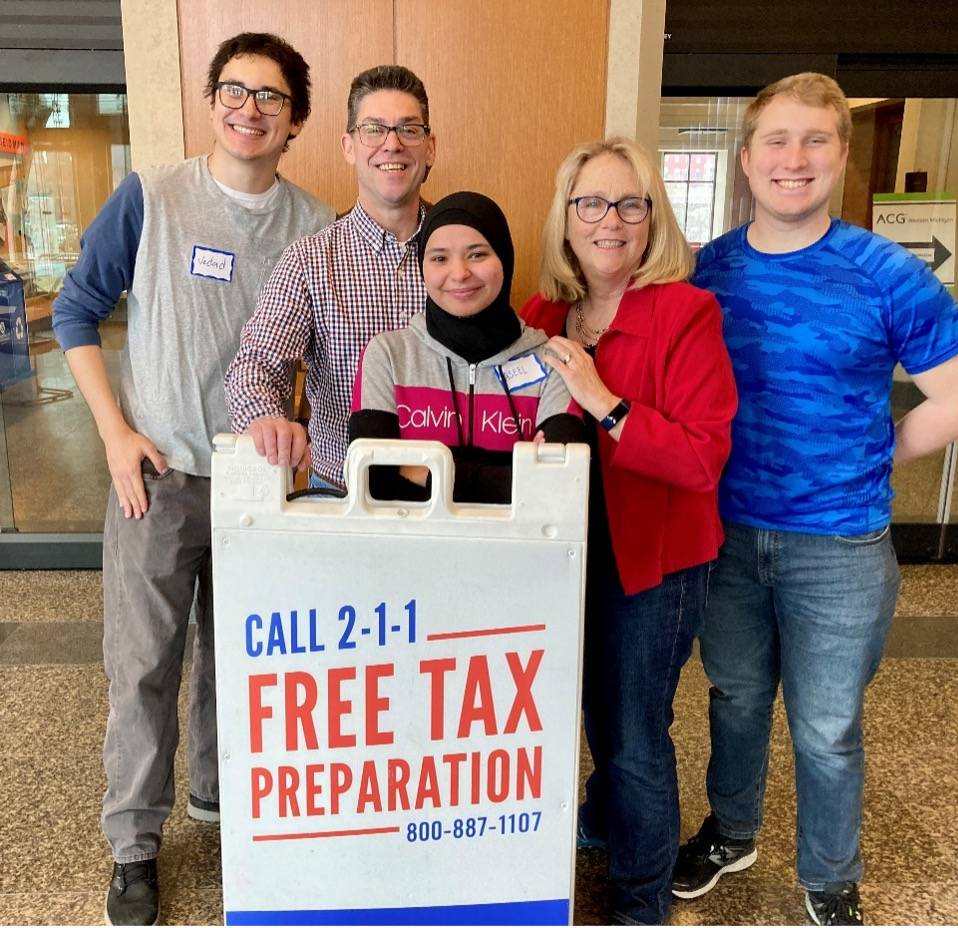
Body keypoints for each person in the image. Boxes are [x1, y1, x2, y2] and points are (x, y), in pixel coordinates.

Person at [669, 73, 958, 926]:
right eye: (776, 140)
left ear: (841, 156)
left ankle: (828, 874)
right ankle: (731, 833)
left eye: (815, 139)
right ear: (747, 159)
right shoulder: (706, 270)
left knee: (825, 726)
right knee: (735, 697)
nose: (794, 158)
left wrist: (874, 457)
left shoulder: (884, 272)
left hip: (839, 545)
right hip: (725, 532)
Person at [51, 32, 333, 926]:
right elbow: (75, 310)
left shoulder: (315, 225)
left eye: (271, 97)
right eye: (234, 91)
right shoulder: (152, 195)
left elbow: (329, 357)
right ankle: (134, 844)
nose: (250, 109)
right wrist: (115, 435)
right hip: (159, 473)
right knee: (143, 666)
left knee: (241, 659)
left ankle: (219, 798)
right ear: (212, 102)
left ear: (296, 120)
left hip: (261, 485)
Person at [521, 137, 738, 925]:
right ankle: (602, 815)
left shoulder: (685, 312)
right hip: (563, 554)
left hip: (653, 561)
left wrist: (605, 403)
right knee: (584, 708)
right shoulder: (540, 315)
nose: (608, 221)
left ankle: (641, 898)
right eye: (590, 203)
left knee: (632, 732)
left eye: (628, 204)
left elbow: (701, 458)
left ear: (653, 218)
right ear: (565, 218)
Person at [225, 64, 435, 490]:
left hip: (446, 493)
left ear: (429, 148)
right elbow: (254, 365)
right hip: (339, 492)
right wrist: (266, 420)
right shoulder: (311, 260)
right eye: (373, 129)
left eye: (409, 130)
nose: (392, 144)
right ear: (349, 147)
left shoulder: (466, 252)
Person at [351, 191, 584, 502]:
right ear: (422, 267)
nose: (459, 273)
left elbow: (558, 488)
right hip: (404, 536)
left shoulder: (551, 361)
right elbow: (375, 481)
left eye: (477, 255)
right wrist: (514, 476)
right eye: (439, 258)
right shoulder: (388, 356)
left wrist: (422, 471)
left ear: (504, 258)